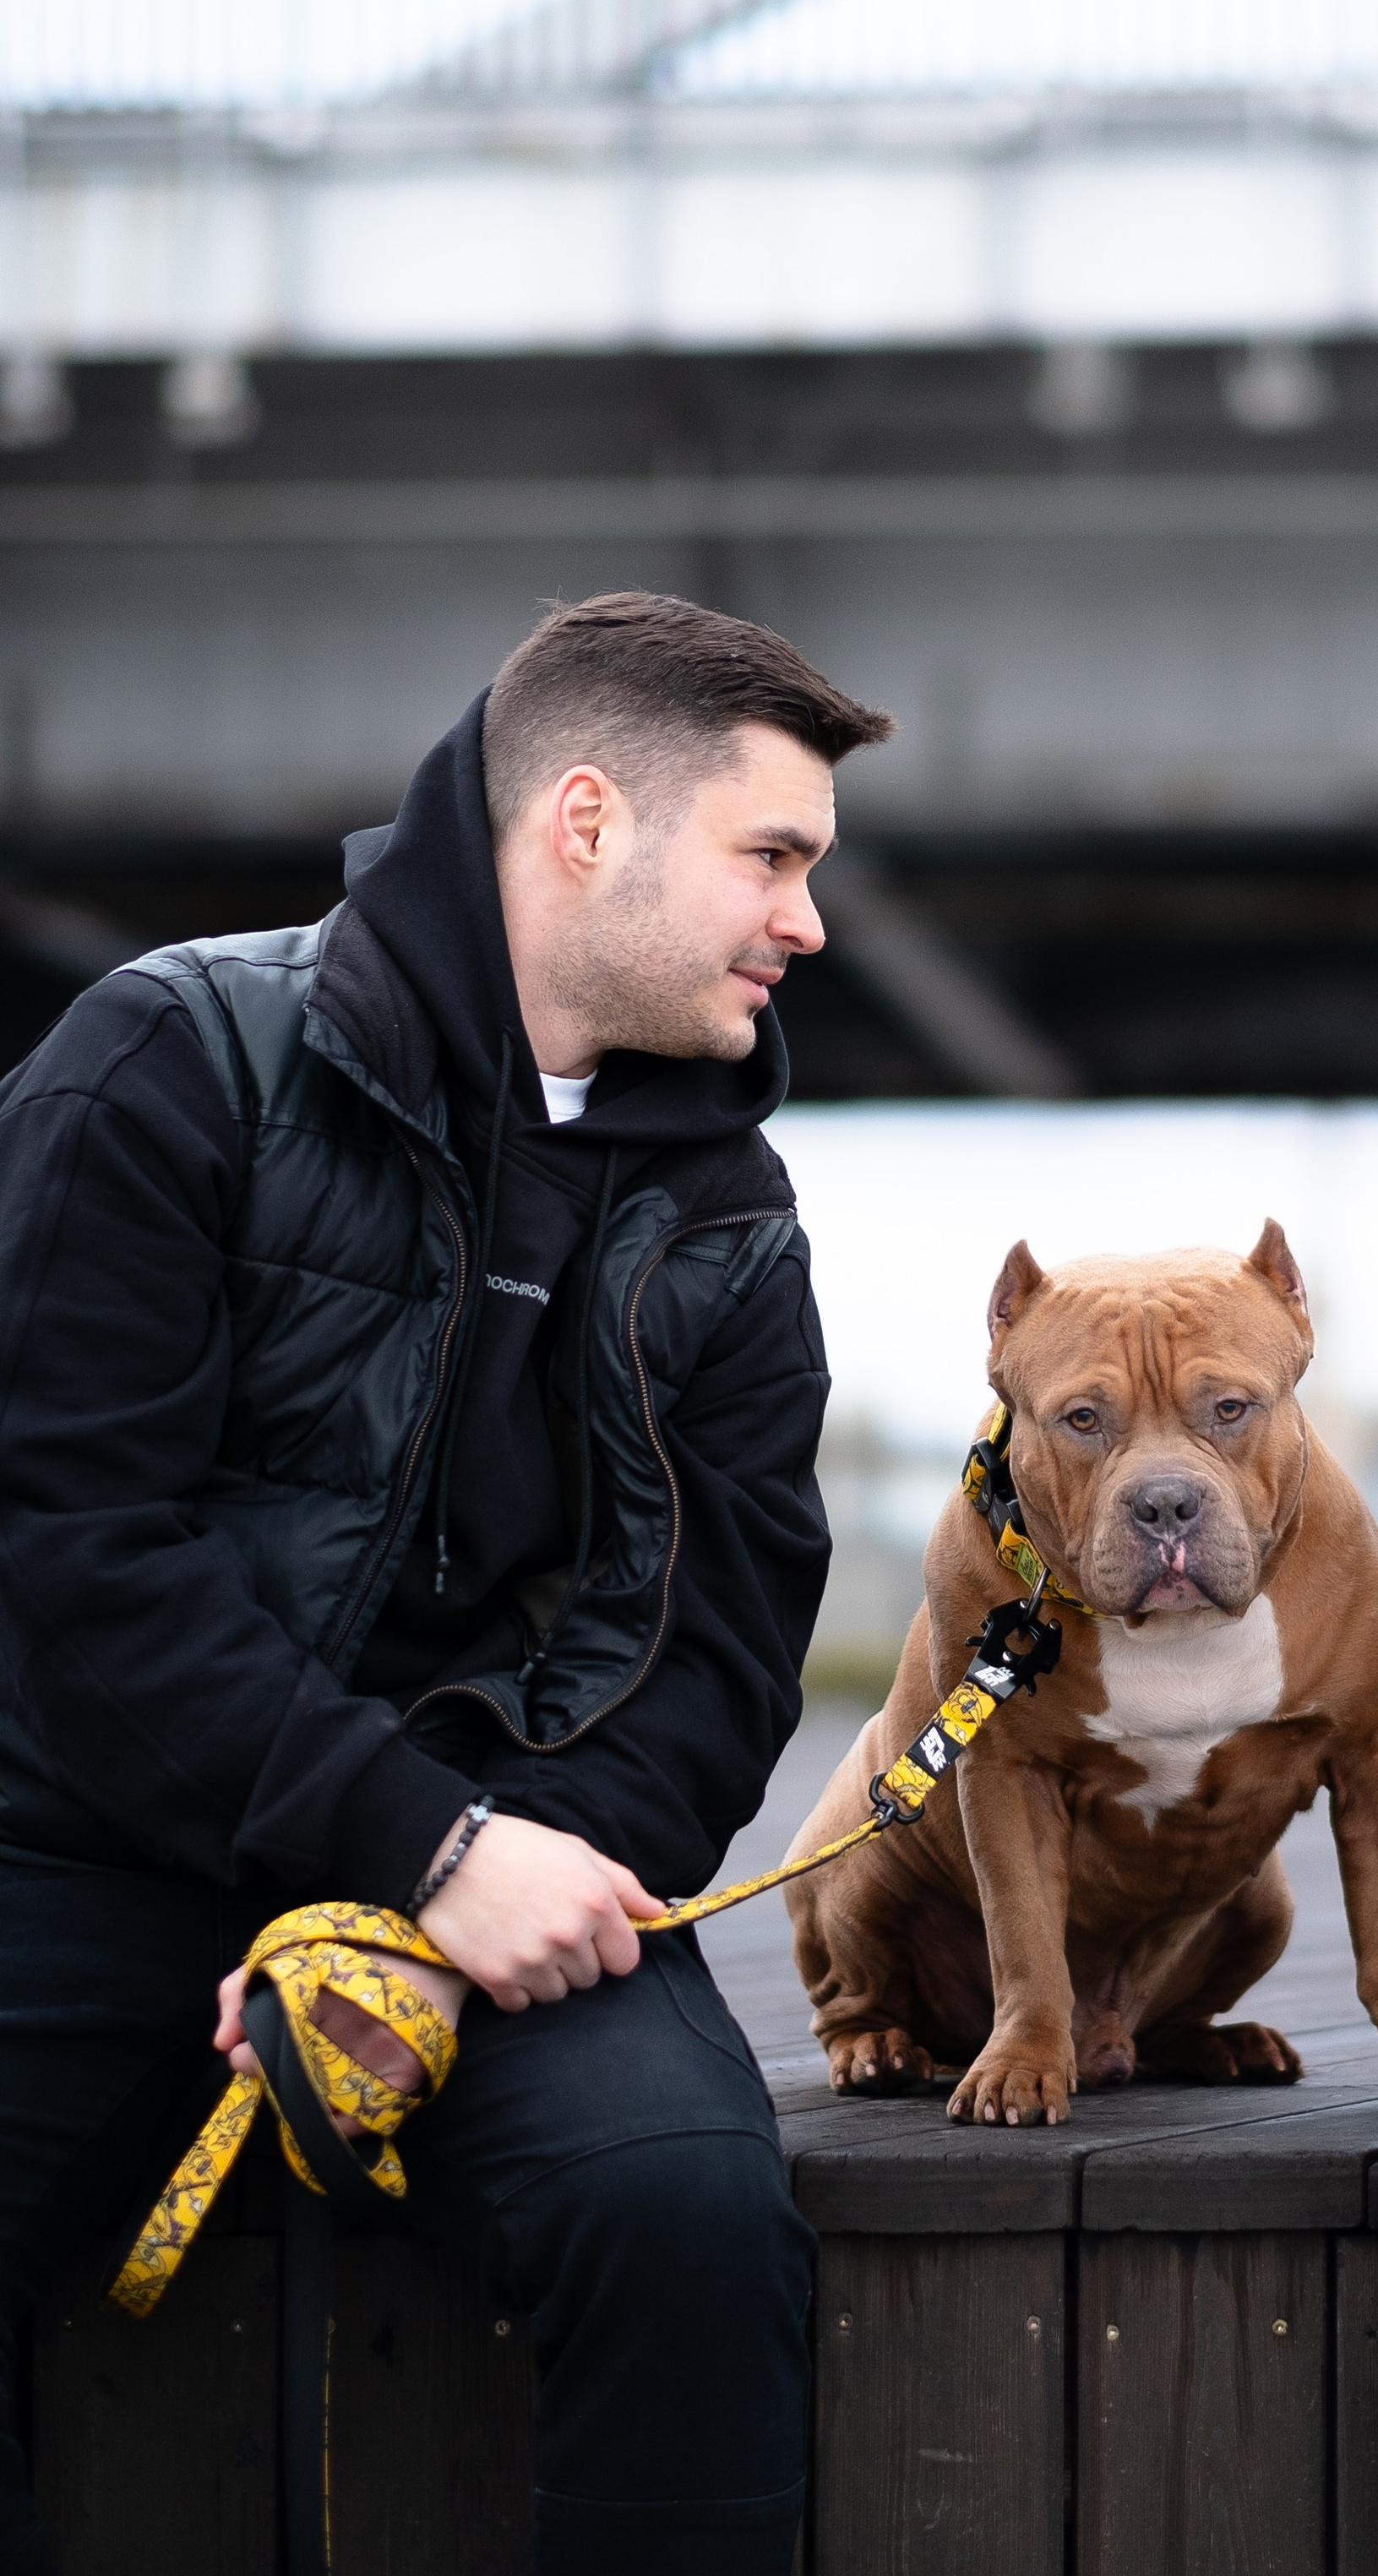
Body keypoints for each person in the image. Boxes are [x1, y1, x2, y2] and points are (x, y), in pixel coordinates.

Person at [0, 589, 894, 2576]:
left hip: (515, 1869)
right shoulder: (163, 1059)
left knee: (679, 2210)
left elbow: (718, 1648)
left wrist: (470, 1888)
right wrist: (406, 1842)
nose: (808, 923)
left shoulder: (730, 1216)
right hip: (78, 1842)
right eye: (773, 855)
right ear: (586, 821)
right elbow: (73, 1551)